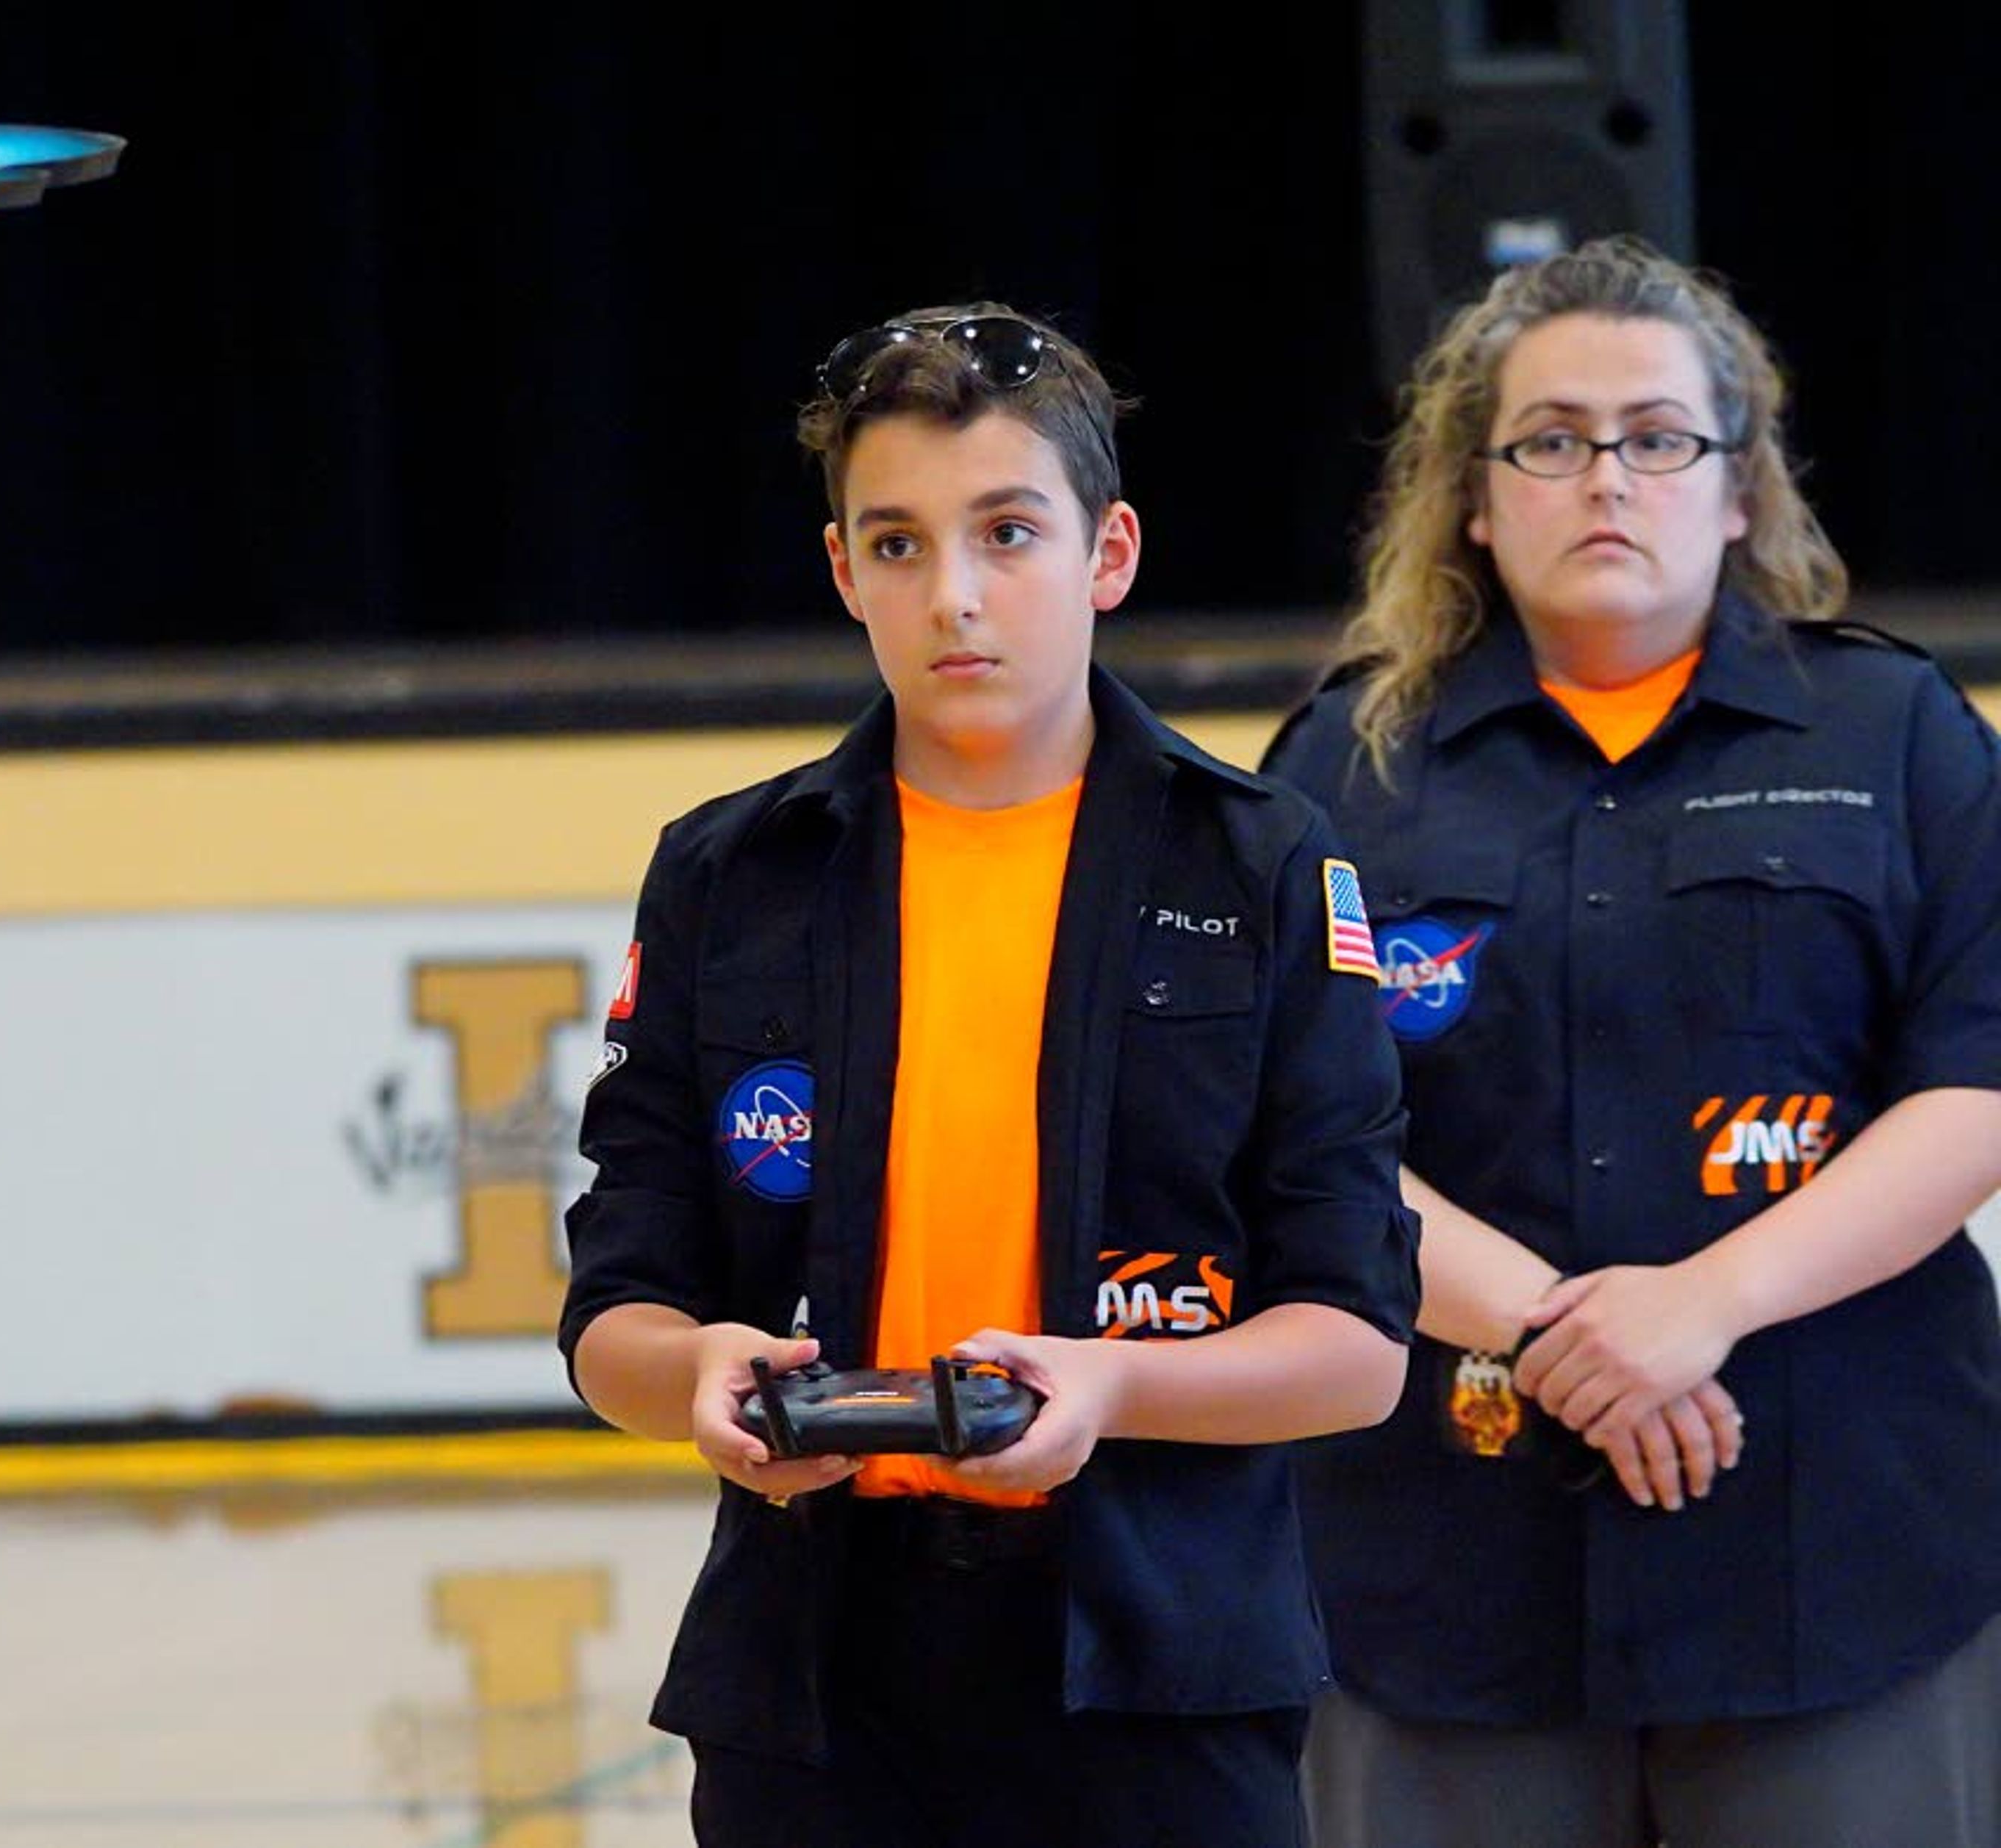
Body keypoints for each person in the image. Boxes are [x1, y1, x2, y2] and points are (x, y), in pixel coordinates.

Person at [558, 303, 1420, 1847]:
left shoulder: (1266, 862)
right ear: (842, 573)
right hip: (812, 1692)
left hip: (1162, 1678)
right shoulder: (727, 874)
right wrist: (697, 1374)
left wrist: (1116, 1384)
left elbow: (1356, 1346)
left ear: (1111, 554)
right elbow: (615, 1304)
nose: (954, 595)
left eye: (1008, 532)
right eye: (897, 544)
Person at [1264, 237, 2001, 1847]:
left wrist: (1706, 1303)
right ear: (1474, 493)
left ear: (1741, 488)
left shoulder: (1897, 734)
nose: (1608, 477)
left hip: (1841, 1553)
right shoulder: (1342, 764)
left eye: (1659, 436)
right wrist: (1564, 1338)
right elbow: (1295, 1131)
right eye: (1552, 439)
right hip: (1442, 1568)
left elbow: (1978, 1088)